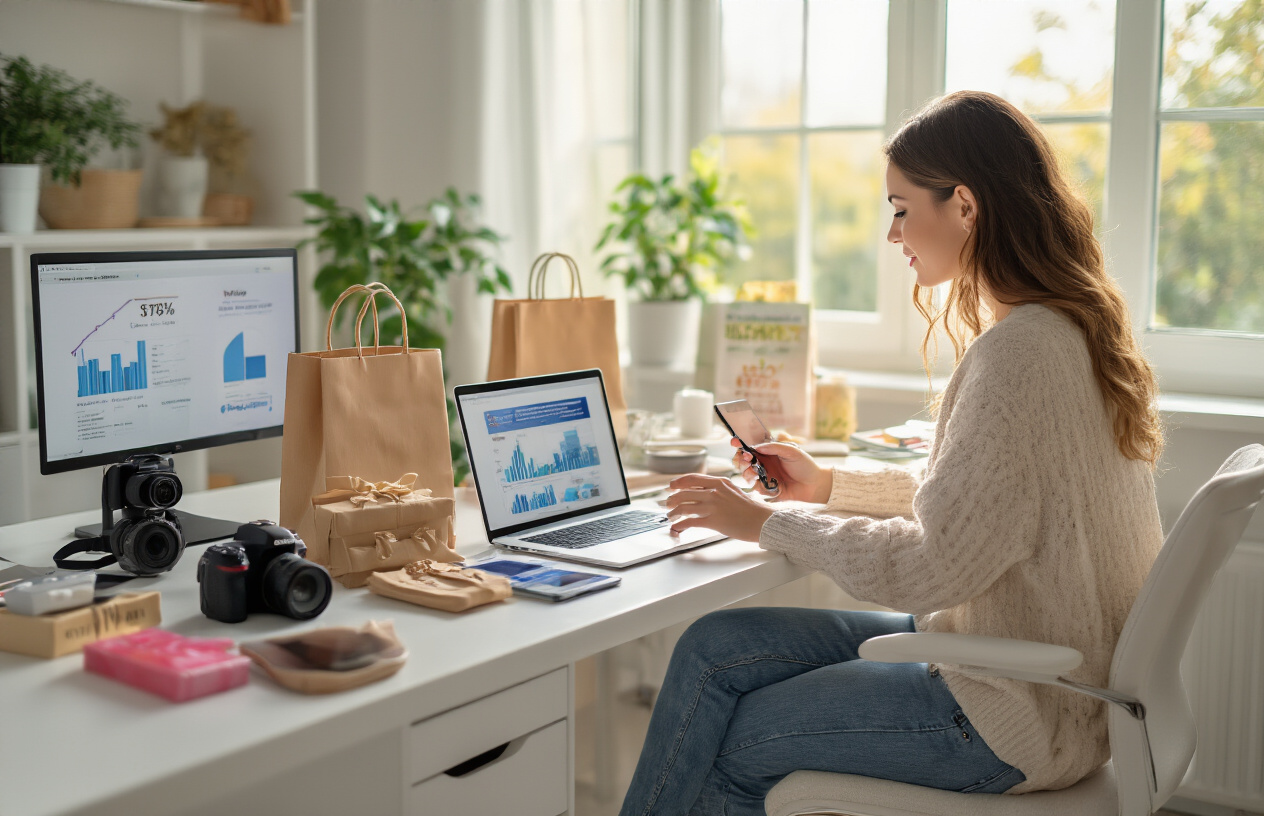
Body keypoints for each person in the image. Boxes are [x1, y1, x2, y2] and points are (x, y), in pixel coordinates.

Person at [618, 90, 1165, 816]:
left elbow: (934, 567)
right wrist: (829, 483)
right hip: (1034, 673)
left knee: (732, 737)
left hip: (1014, 714)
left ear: (965, 207)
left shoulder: (1019, 356)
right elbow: (987, 503)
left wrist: (767, 525)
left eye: (903, 208)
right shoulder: (1063, 332)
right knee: (717, 646)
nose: (892, 233)